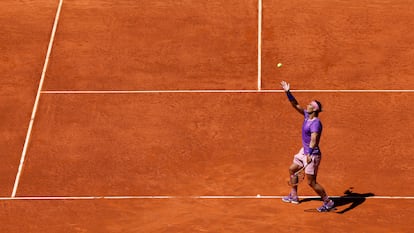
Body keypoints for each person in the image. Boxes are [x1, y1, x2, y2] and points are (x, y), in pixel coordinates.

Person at [280, 80, 334, 212]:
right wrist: (288, 92)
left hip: (312, 154)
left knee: (311, 182)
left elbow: (314, 139)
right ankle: (294, 196)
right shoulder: (306, 116)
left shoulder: (316, 123)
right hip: (304, 152)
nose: (307, 105)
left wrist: (309, 153)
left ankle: (328, 202)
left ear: (314, 109)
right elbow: (295, 105)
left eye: (310, 104)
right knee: (292, 169)